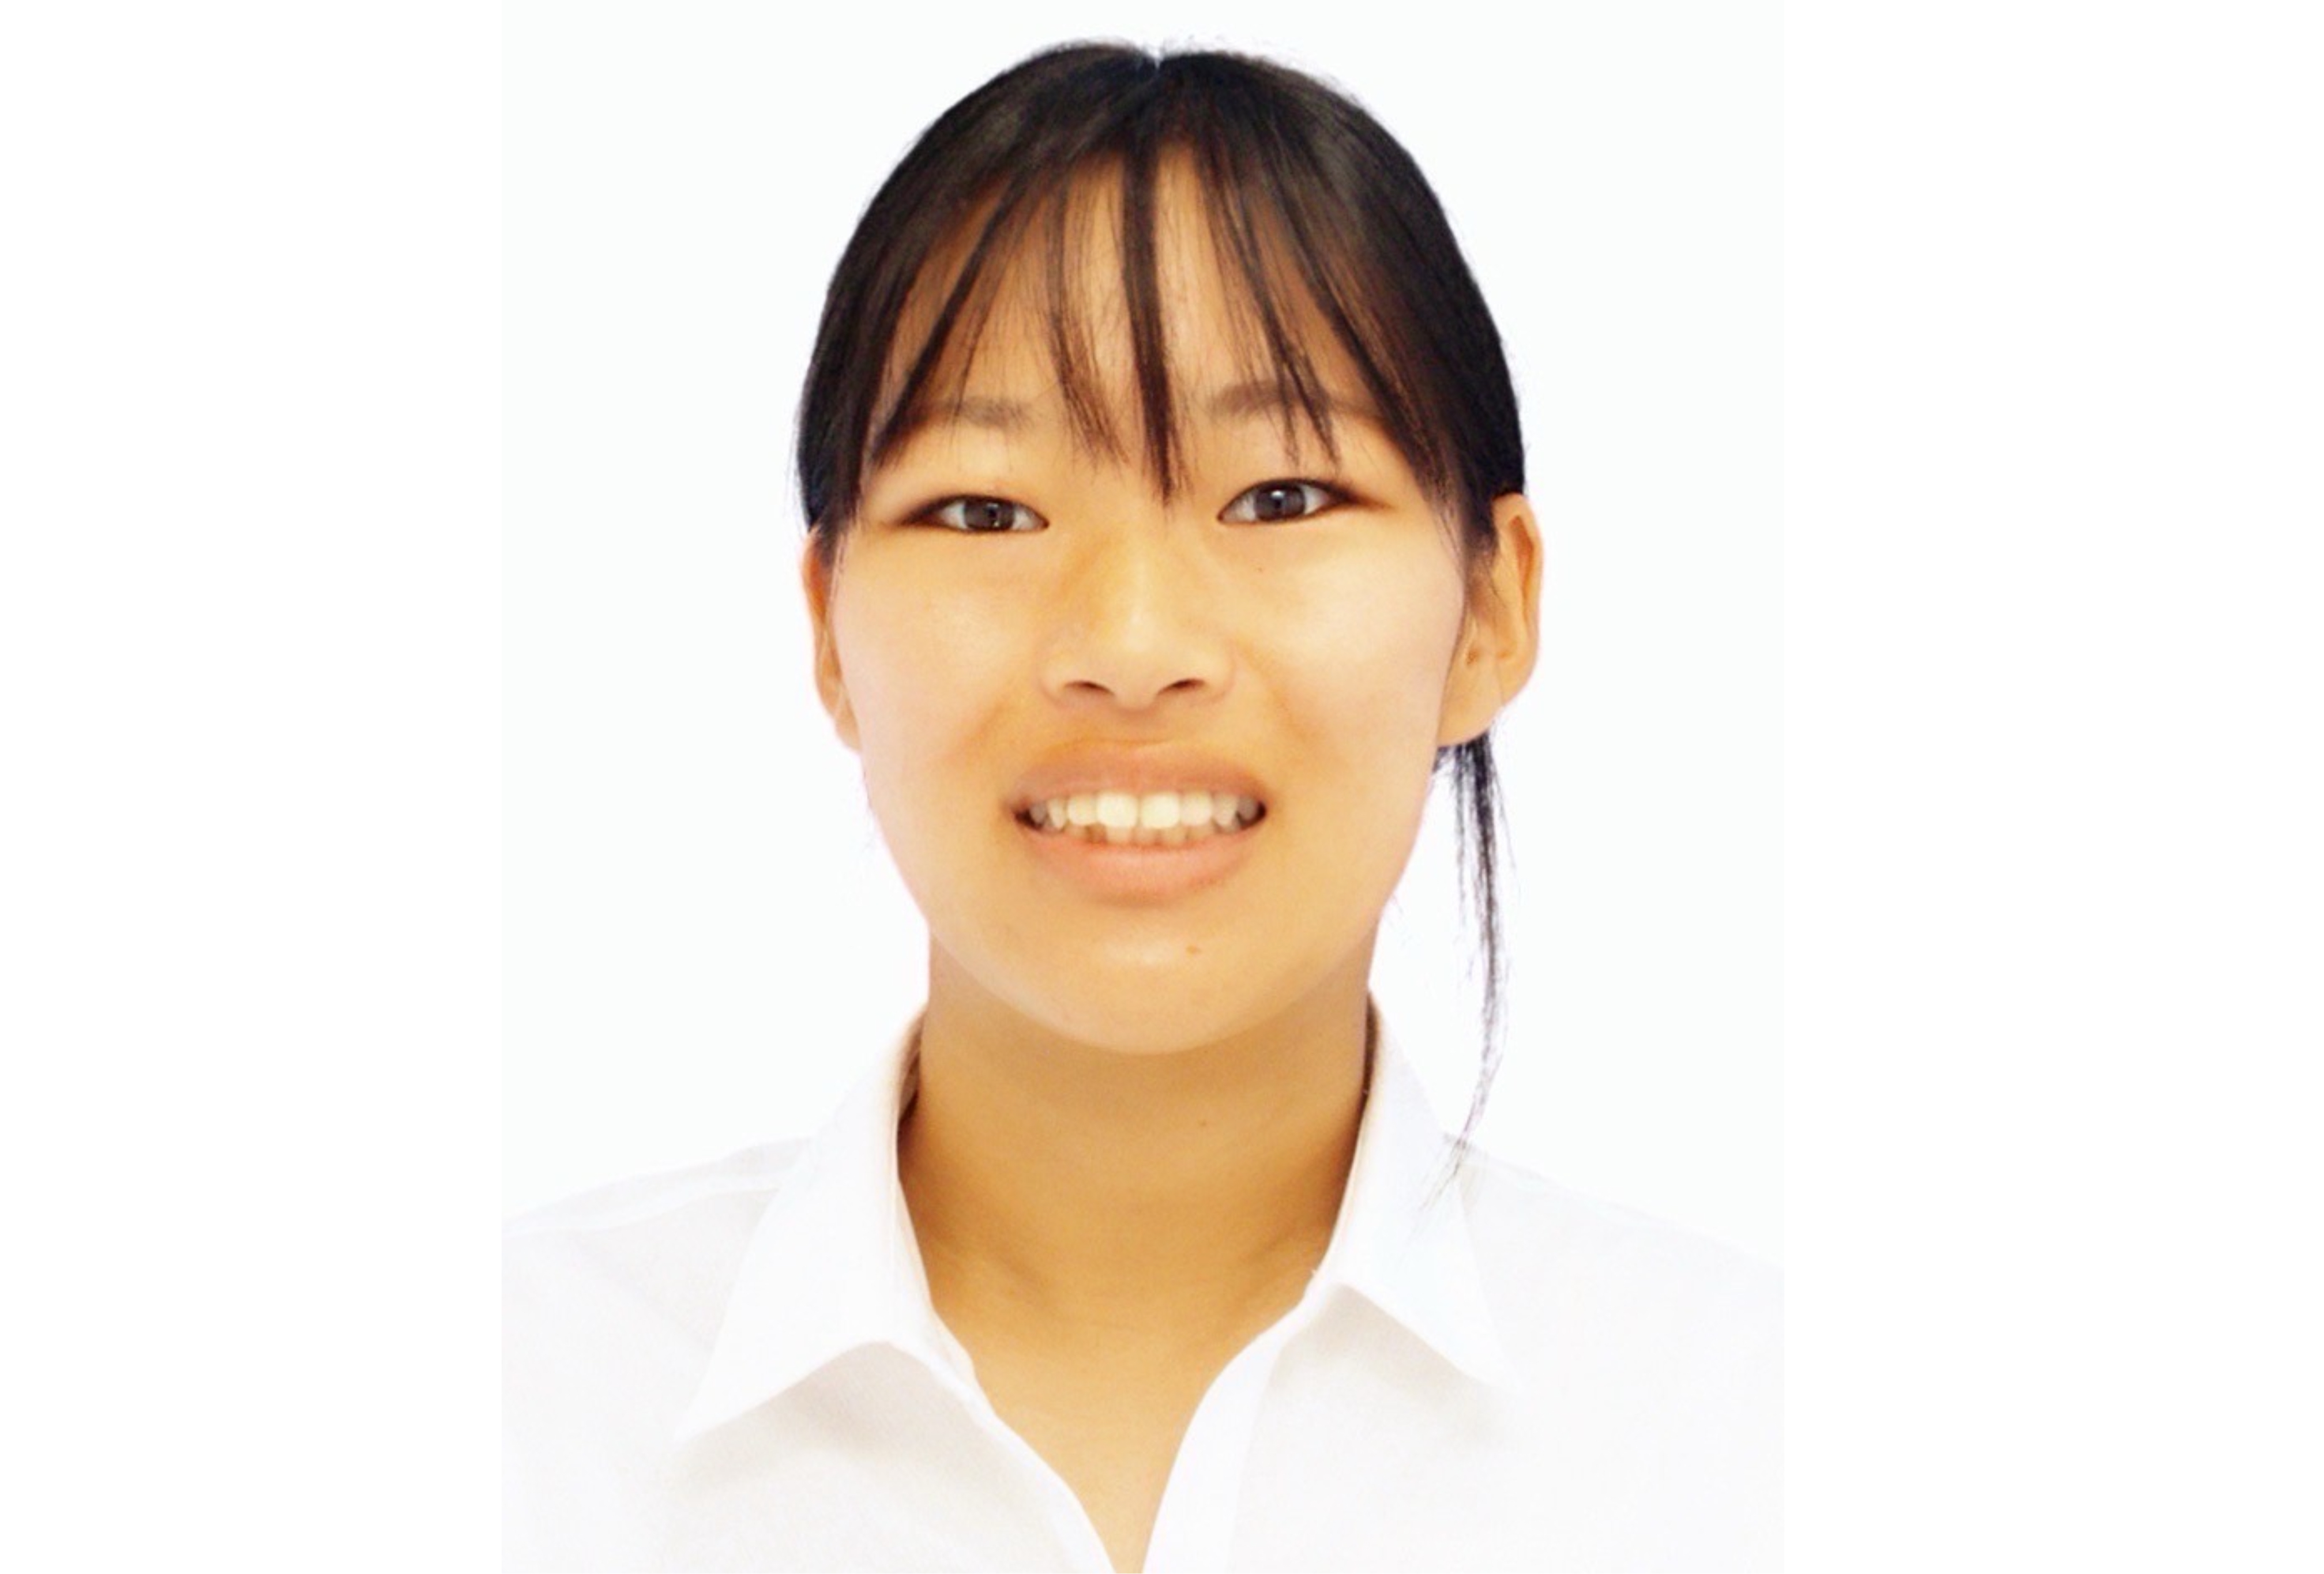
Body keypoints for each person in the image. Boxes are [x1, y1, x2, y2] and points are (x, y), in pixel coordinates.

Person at [505, 40, 1779, 1572]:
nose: (1130, 643)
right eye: (986, 509)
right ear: (829, 630)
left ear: (1491, 611)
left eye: (1281, 497)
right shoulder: (515, 1408)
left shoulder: (1754, 1437)